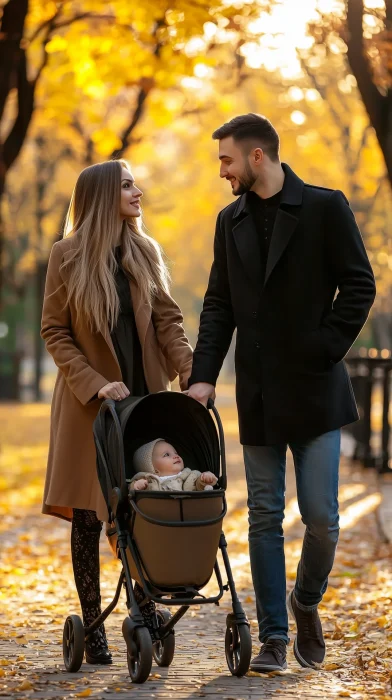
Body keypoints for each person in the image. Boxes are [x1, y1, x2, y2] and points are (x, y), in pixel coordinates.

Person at [187, 114, 376, 672]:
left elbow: (360, 283)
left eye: (226, 160)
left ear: (257, 157)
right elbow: (218, 304)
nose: (221, 171)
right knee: (264, 516)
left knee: (321, 518)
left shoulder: (325, 205)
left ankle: (305, 601)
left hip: (316, 388)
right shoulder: (230, 221)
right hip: (261, 391)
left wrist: (325, 346)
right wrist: (203, 374)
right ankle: (273, 636)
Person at [41, 160, 193, 665]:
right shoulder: (66, 256)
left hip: (144, 405)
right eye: (128, 184)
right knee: (88, 517)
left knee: (142, 508)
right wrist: (94, 383)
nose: (138, 191)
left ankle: (143, 608)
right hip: (92, 406)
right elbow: (55, 331)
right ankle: (94, 622)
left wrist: (189, 372)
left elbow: (169, 322)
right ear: (104, 195)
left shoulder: (145, 251)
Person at [129, 438, 218, 491]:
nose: (175, 456)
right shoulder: (148, 481)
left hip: (187, 510)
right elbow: (131, 490)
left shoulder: (187, 476)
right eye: (166, 455)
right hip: (157, 513)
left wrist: (204, 479)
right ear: (153, 469)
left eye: (175, 452)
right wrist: (136, 486)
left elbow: (197, 485)